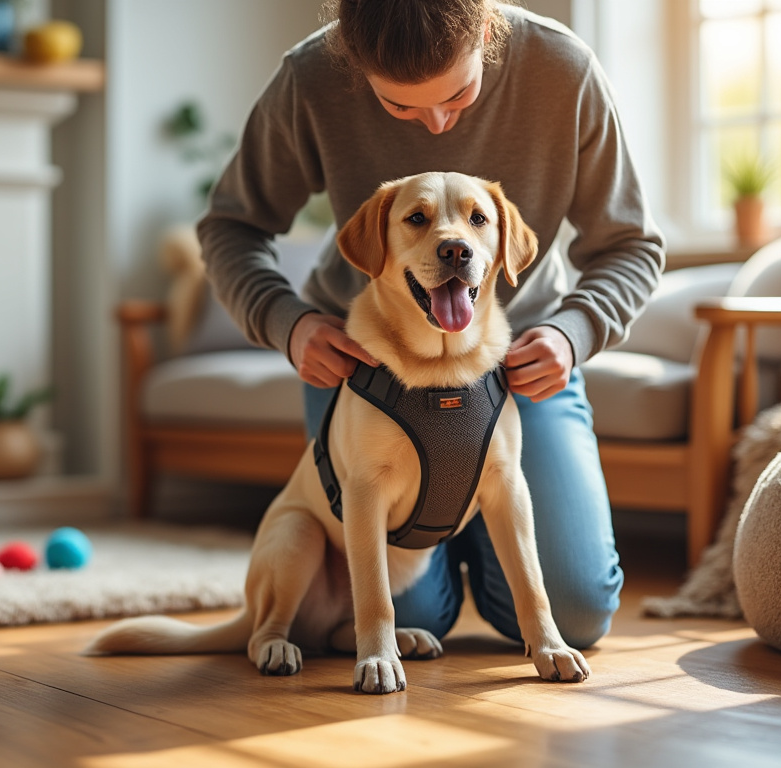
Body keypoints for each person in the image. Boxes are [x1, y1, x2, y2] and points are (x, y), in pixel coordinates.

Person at [196, 0, 664, 650]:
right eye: (399, 106)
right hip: (364, 365)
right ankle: (450, 535)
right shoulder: (310, 78)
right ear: (351, 59)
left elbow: (633, 245)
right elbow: (230, 227)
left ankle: (475, 514)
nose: (438, 125)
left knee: (577, 613)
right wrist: (289, 323)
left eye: (459, 94)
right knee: (411, 616)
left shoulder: (563, 70)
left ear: (488, 30)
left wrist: (573, 332)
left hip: (520, 364)